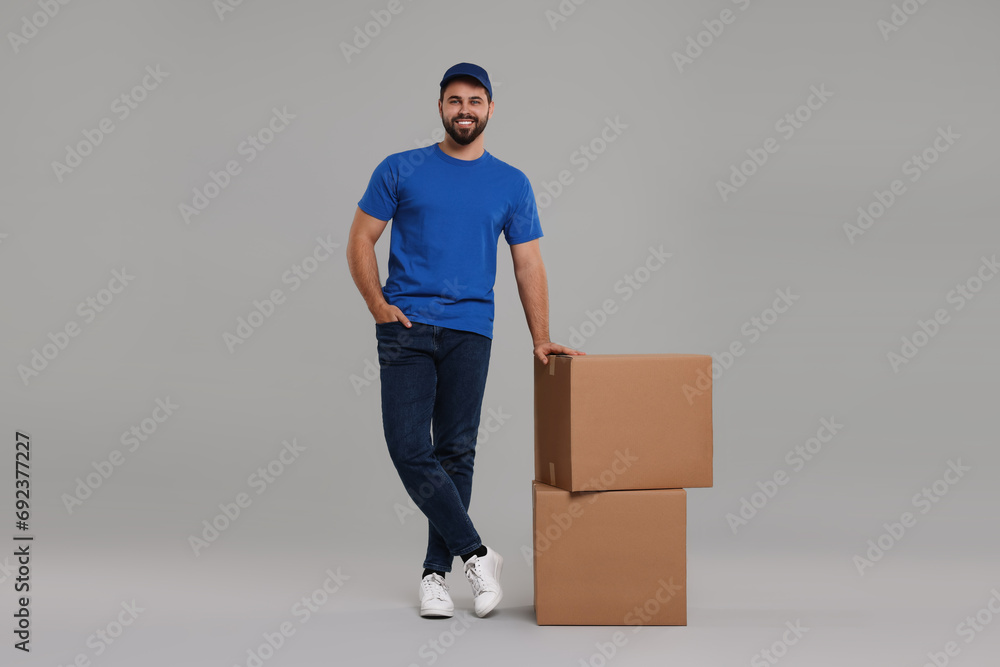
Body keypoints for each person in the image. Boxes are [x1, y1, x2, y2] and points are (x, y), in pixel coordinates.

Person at [346, 62, 584, 619]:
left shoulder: (511, 182)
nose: (465, 110)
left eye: (475, 101)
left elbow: (529, 266)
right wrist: (379, 307)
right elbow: (360, 238)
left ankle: (436, 574)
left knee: (456, 451)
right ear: (440, 107)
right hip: (405, 328)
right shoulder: (400, 169)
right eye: (455, 101)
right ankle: (476, 553)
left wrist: (541, 339)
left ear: (491, 109)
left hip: (470, 331)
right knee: (409, 447)